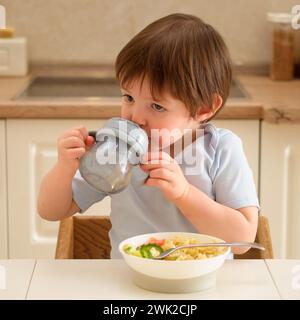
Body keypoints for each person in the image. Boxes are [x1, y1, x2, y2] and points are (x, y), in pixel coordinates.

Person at [38, 13, 259, 258]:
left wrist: (185, 195)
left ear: (204, 108)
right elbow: (52, 211)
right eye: (129, 98)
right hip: (130, 280)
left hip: (204, 285)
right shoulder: (116, 150)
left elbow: (243, 240)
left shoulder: (221, 148)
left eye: (157, 106)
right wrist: (64, 168)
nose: (135, 117)